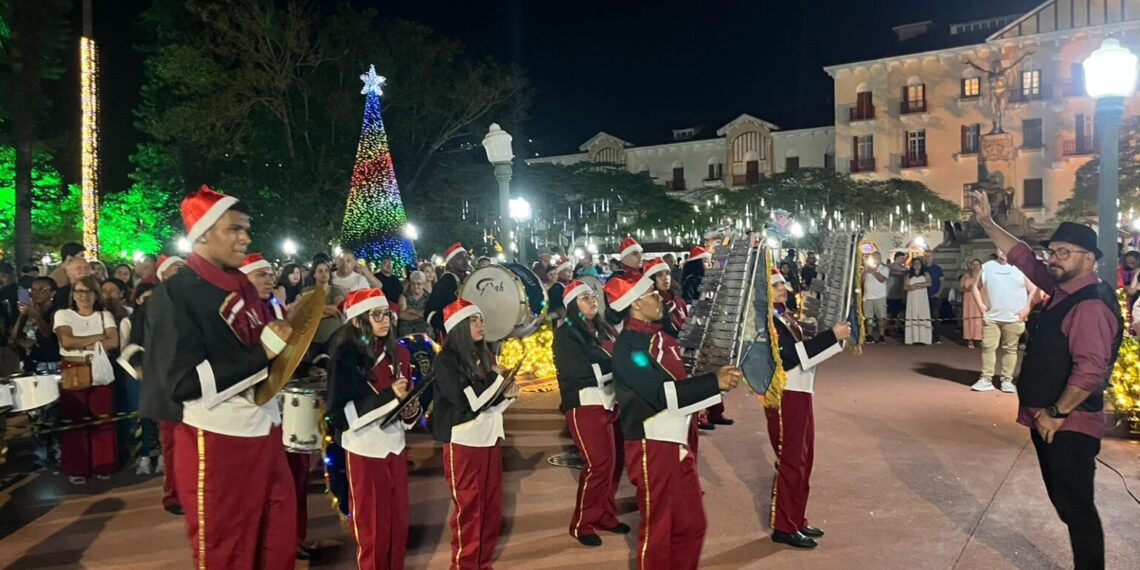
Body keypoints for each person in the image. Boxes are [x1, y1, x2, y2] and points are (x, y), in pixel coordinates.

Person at [141, 185, 296, 569]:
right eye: (235, 229)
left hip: (265, 429)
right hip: (217, 441)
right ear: (204, 232)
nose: (246, 237)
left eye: (247, 228)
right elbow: (183, 383)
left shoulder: (244, 285)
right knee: (229, 551)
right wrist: (263, 352)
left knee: (277, 540)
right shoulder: (175, 293)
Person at [971, 192, 1122, 570]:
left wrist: (1056, 412)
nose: (1053, 260)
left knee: (1076, 507)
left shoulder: (1089, 303)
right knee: (1067, 502)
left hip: (1067, 423)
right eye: (1052, 252)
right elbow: (1022, 254)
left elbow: (1090, 369)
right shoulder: (1062, 288)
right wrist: (988, 222)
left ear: (1089, 258)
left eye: (1063, 253)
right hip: (1050, 418)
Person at [605, 272, 741, 570]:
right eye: (652, 295)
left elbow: (679, 385)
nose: (659, 298)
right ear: (636, 304)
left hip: (675, 441)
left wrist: (714, 384)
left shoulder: (659, 337)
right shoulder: (628, 348)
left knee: (692, 525)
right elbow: (661, 393)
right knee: (658, 531)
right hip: (651, 444)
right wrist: (712, 383)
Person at [327, 288, 416, 568]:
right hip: (365, 447)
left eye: (386, 314)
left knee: (399, 522)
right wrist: (391, 397)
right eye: (375, 315)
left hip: (395, 443)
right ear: (357, 321)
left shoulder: (398, 351)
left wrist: (411, 410)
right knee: (373, 528)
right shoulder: (345, 356)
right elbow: (346, 413)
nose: (384, 320)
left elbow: (405, 402)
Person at [766, 268, 850, 549]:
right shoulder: (765, 321)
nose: (783, 289)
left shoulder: (783, 316)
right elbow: (790, 357)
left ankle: (796, 518)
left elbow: (804, 355)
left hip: (800, 390)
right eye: (776, 284)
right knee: (791, 460)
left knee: (804, 458)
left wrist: (835, 339)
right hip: (784, 393)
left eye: (783, 284)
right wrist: (830, 336)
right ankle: (784, 525)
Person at [432, 299, 519, 570]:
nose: (481, 325)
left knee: (491, 506)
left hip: (489, 437)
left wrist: (506, 396)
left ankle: (482, 561)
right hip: (464, 442)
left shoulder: (484, 355)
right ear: (458, 326)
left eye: (481, 319)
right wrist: (496, 380)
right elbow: (467, 401)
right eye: (473, 320)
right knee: (469, 508)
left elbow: (488, 402)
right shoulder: (446, 360)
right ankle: (465, 564)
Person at [552, 280, 628, 547]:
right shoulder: (566, 334)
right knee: (597, 464)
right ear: (573, 304)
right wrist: (617, 366)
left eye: (593, 296)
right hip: (584, 404)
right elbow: (579, 372)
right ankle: (582, 523)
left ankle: (606, 514)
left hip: (609, 402)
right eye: (584, 297)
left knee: (613, 463)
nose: (592, 300)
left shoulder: (601, 327)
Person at [53, 275, 119, 484]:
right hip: (74, 368)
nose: (83, 296)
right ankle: (77, 467)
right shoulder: (63, 314)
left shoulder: (104, 315)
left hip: (100, 367)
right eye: (79, 292)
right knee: (75, 420)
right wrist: (98, 339)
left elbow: (114, 341)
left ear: (95, 295)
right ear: (73, 295)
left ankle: (104, 463)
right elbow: (66, 341)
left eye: (88, 292)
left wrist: (83, 343)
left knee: (103, 417)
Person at [972, 249, 1036, 393]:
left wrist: (1027, 309)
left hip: (1014, 317)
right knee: (988, 348)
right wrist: (980, 306)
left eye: (1007, 249)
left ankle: (1007, 380)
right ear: (996, 250)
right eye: (1001, 249)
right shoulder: (987, 267)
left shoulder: (1021, 268)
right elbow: (975, 287)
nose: (1004, 252)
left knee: (1011, 350)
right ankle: (986, 379)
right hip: (992, 317)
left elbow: (1033, 289)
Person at [425, 243, 471, 336]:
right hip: (454, 338)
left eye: (466, 257)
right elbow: (430, 313)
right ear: (450, 263)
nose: (465, 260)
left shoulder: (468, 280)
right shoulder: (445, 283)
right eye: (460, 258)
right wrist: (450, 326)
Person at [307, 259, 347, 357]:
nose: (324, 273)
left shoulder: (336, 290)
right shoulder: (307, 292)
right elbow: (302, 312)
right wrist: (328, 311)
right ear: (314, 274)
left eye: (326, 270)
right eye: (320, 271)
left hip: (334, 340)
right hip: (312, 341)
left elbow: (339, 308)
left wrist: (314, 311)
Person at [862, 253, 889, 344]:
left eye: (877, 258)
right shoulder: (867, 268)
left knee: (881, 317)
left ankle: (881, 335)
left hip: (880, 296)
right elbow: (861, 280)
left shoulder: (884, 268)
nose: (875, 260)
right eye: (874, 258)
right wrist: (865, 270)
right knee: (869, 317)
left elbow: (882, 279)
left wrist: (874, 270)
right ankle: (870, 335)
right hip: (868, 296)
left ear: (880, 259)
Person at [904, 258, 932, 345]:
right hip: (912, 296)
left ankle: (924, 339)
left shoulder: (926, 274)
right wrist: (911, 287)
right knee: (913, 314)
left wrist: (918, 285)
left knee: (923, 314)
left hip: (922, 297)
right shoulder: (908, 275)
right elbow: (905, 286)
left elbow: (929, 283)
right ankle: (912, 339)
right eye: (915, 263)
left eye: (918, 263)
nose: (916, 265)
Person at [959, 258, 984, 348]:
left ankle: (980, 339)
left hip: (980, 299)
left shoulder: (983, 276)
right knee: (969, 317)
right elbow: (960, 288)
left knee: (980, 318)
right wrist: (967, 289)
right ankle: (970, 340)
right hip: (969, 299)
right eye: (973, 264)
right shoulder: (966, 276)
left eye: (977, 264)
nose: (975, 266)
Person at [398, 270, 431, 337]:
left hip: (424, 327)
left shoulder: (429, 297)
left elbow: (428, 314)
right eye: (413, 283)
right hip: (407, 326)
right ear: (410, 283)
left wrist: (412, 311)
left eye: (419, 284)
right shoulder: (404, 296)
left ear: (424, 284)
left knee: (428, 331)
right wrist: (420, 315)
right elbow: (402, 315)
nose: (416, 286)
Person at [923, 253, 945, 344]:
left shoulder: (938, 269)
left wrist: (938, 293)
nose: (928, 258)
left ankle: (936, 336)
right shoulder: (921, 268)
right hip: (922, 296)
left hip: (934, 295)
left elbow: (942, 282)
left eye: (930, 256)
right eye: (926, 256)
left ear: (933, 257)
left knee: (935, 316)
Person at [885, 252, 908, 331]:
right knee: (889, 312)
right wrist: (903, 273)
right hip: (889, 293)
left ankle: (896, 326)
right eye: (901, 258)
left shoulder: (904, 268)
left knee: (899, 312)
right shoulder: (889, 266)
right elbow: (891, 273)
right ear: (896, 258)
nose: (903, 260)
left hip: (899, 294)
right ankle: (886, 328)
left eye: (903, 259)